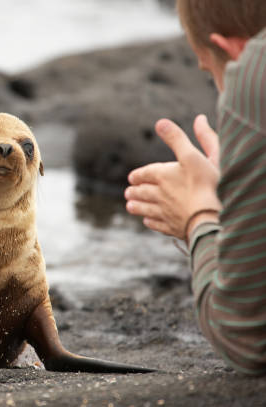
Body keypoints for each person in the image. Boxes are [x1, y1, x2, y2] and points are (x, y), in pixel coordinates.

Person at [124, 0, 266, 375]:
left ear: (230, 50)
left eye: (210, 74)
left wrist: (202, 216)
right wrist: (248, 186)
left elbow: (246, 337)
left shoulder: (255, 67)